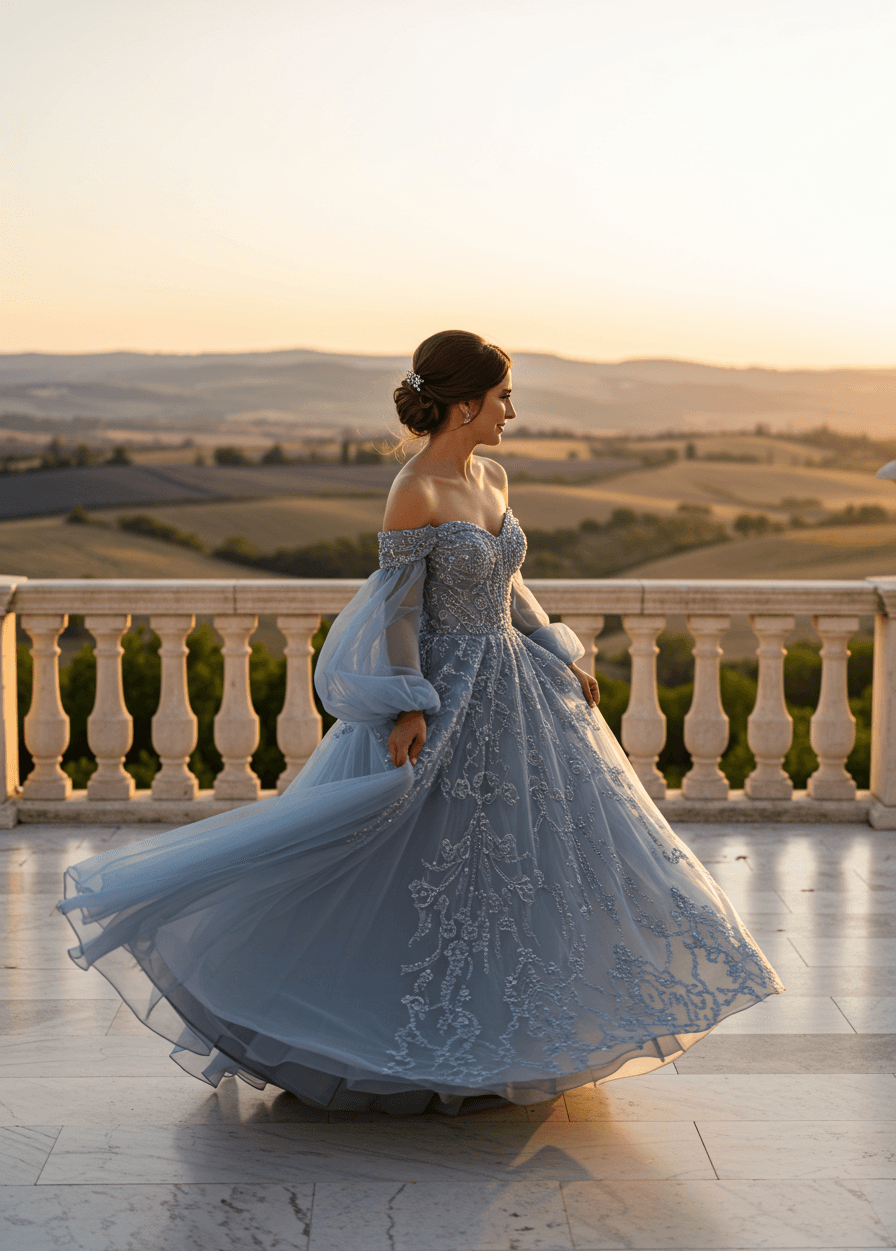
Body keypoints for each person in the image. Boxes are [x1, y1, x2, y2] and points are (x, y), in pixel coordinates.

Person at [57, 330, 783, 1116]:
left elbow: (510, 581)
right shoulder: (415, 491)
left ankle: (509, 1033)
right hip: (446, 687)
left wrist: (555, 648)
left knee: (526, 860)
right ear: (465, 403)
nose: (511, 412)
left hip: (516, 683)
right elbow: (399, 609)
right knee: (410, 855)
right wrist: (410, 701)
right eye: (503, 397)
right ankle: (383, 1032)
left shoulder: (493, 475)